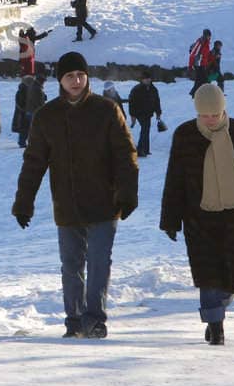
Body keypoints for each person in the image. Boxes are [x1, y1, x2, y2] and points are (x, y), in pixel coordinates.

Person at [12, 51, 139, 339]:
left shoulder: (106, 110)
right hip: (67, 205)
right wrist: (23, 203)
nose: (76, 80)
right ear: (61, 80)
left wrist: (127, 194)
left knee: (98, 262)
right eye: (70, 76)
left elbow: (125, 155)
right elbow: (34, 163)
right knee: (71, 265)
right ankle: (74, 319)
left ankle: (94, 319)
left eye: (80, 75)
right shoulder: (47, 116)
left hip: (105, 203)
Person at [160, 83, 234, 345]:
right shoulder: (185, 135)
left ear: (223, 109)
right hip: (199, 218)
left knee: (232, 277)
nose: (210, 120)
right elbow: (174, 179)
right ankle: (215, 323)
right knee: (207, 273)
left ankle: (218, 310)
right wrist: (171, 219)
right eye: (204, 115)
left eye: (215, 114)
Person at [13, 73, 46, 148]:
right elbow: (36, 101)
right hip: (27, 111)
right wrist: (24, 109)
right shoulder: (28, 89)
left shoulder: (29, 88)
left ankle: (23, 142)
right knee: (29, 128)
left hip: (27, 111)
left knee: (26, 128)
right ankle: (27, 142)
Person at [187, 29, 212, 97]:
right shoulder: (201, 43)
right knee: (204, 80)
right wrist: (190, 66)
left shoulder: (206, 43)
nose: (209, 37)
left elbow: (205, 55)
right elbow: (193, 54)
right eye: (208, 35)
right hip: (199, 65)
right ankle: (197, 94)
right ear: (205, 35)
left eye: (209, 35)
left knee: (200, 80)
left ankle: (194, 94)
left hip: (202, 64)